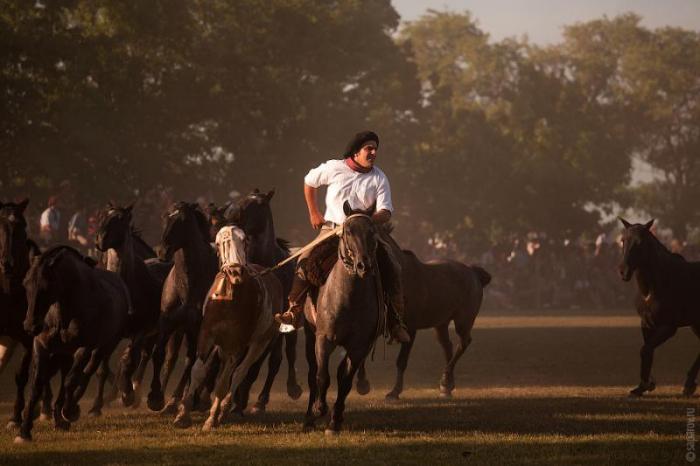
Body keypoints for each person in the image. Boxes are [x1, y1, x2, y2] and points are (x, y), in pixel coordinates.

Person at [274, 130, 410, 343]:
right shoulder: (334, 167)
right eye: (369, 148)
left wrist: (365, 222)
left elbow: (386, 211)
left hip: (364, 233)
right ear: (357, 151)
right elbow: (309, 181)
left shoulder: (379, 177)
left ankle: (395, 321)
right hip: (332, 230)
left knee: (393, 265)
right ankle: (294, 311)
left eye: (375, 149)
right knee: (304, 260)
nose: (373, 152)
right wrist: (314, 212)